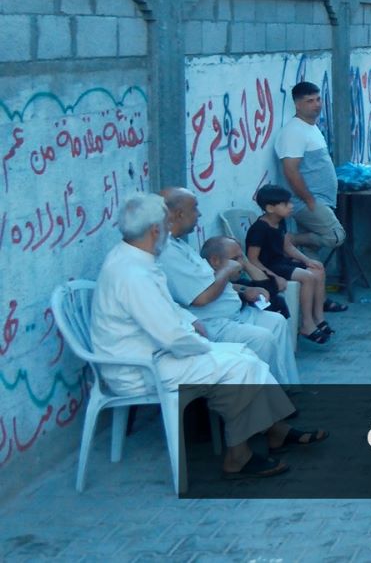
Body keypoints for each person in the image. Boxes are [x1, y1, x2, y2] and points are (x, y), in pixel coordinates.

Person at [94, 194, 322, 481]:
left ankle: (272, 432)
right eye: (165, 224)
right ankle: (241, 455)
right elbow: (171, 336)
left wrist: (191, 322)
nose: (168, 230)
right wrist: (205, 344)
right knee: (241, 364)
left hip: (154, 353)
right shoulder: (133, 274)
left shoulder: (132, 259)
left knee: (243, 357)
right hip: (139, 366)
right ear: (155, 230)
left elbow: (168, 308)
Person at [158, 188, 295, 385]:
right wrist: (227, 269)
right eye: (195, 208)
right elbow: (201, 298)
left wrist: (243, 290)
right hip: (212, 322)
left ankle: (286, 386)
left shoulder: (179, 244)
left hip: (232, 312)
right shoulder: (167, 252)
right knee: (262, 338)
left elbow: (207, 280)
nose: (199, 214)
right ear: (179, 214)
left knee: (276, 321)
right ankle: (264, 393)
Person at [246, 184, 338, 344]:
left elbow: (287, 246)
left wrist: (307, 260)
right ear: (270, 208)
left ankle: (319, 318)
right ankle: (307, 324)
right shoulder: (259, 229)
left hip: (280, 262)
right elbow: (252, 259)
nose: (291, 206)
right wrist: (273, 277)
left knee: (318, 269)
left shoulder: (279, 222)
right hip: (269, 267)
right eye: (285, 204)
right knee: (307, 277)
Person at [273, 81, 345, 259]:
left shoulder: (310, 127)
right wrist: (309, 200)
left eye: (318, 99)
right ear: (298, 105)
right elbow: (291, 171)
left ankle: (312, 276)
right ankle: (290, 239)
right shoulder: (293, 131)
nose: (317, 104)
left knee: (310, 253)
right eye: (310, 101)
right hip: (308, 201)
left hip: (320, 199)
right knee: (335, 236)